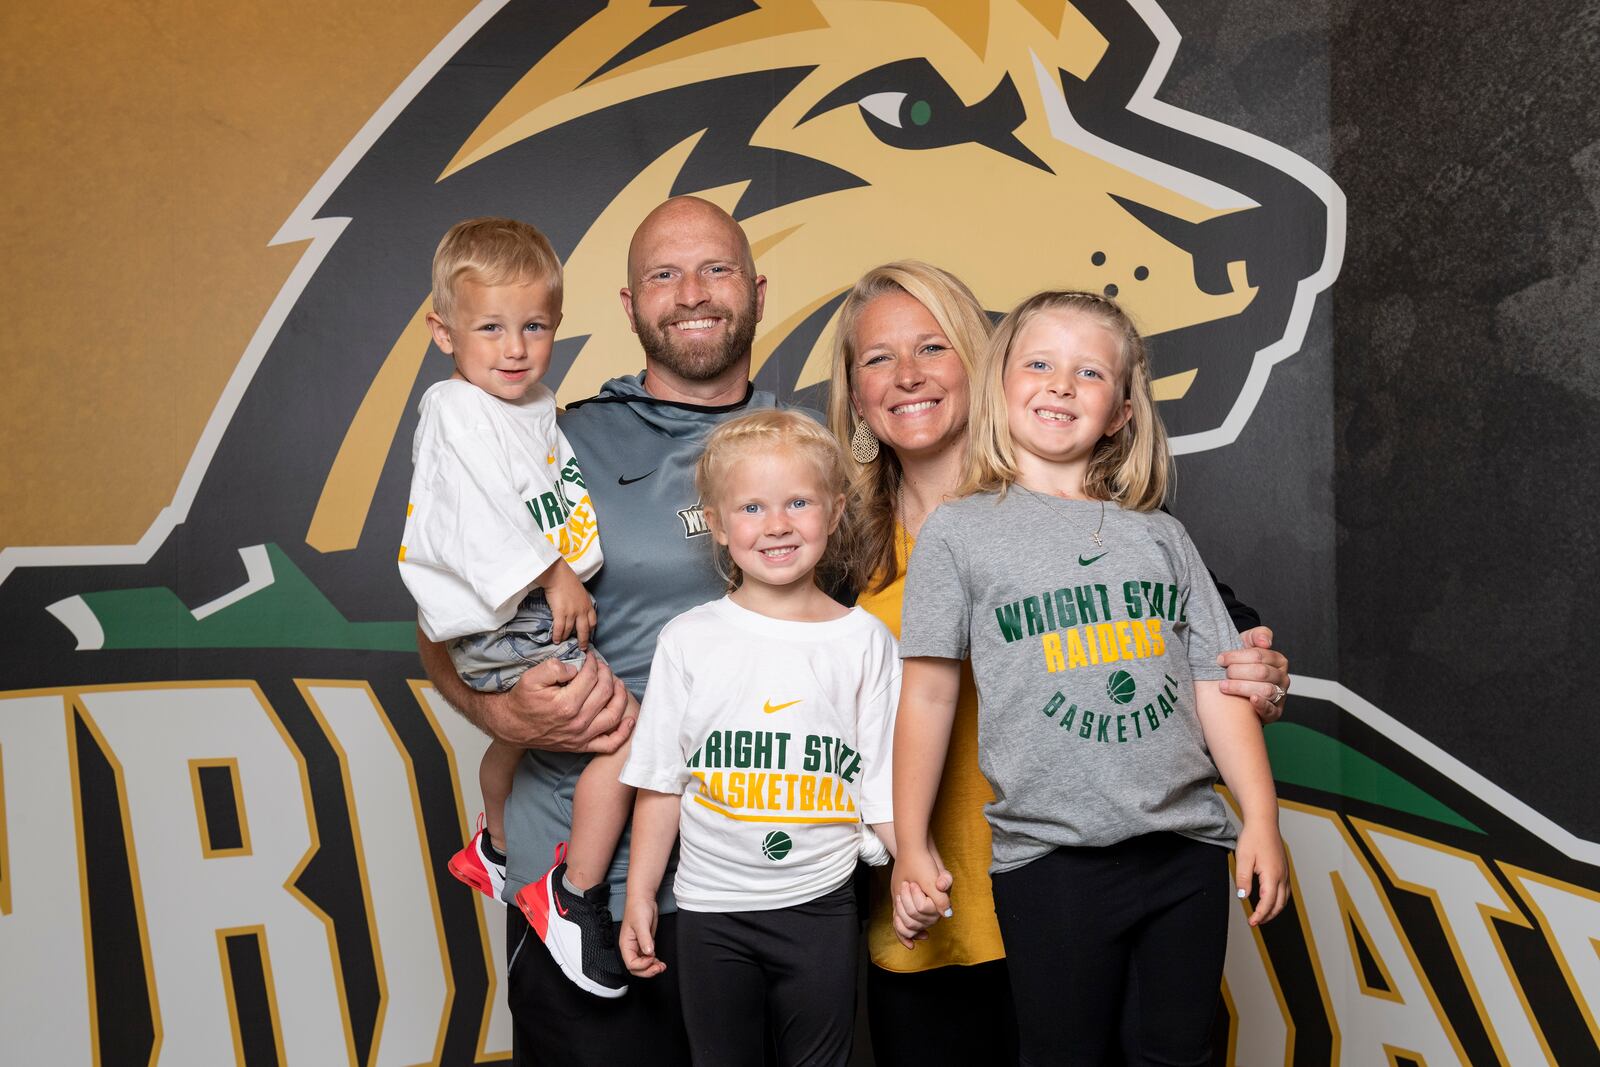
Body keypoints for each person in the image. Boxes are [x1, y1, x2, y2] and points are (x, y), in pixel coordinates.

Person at [827, 262, 1291, 1065]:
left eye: (932, 346)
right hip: (959, 904)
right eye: (877, 358)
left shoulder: (1137, 525)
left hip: (1153, 857)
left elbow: (1208, 657)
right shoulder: (828, 545)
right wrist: (906, 847)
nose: (906, 375)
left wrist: (1257, 692)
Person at [417, 195, 776, 1064]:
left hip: (762, 873)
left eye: (715, 268)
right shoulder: (546, 439)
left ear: (758, 291)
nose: (691, 291)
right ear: (628, 306)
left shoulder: (805, 446)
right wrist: (501, 715)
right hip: (586, 890)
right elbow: (438, 611)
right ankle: (513, 859)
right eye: (663, 273)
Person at [397, 217, 635, 998]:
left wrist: (572, 561)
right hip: (509, 614)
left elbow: (550, 491)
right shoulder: (456, 408)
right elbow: (479, 516)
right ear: (443, 332)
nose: (514, 347)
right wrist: (555, 573)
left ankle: (494, 845)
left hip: (520, 611)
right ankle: (572, 894)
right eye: (490, 327)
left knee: (531, 730)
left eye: (534, 326)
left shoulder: (530, 403)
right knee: (629, 735)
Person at [618, 410, 898, 1066]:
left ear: (834, 512)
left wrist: (910, 862)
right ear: (715, 522)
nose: (776, 524)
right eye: (751, 506)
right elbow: (661, 783)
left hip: (821, 905)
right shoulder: (688, 639)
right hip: (711, 910)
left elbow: (882, 782)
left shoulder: (863, 641)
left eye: (798, 502)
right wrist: (638, 896)